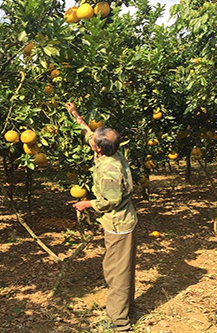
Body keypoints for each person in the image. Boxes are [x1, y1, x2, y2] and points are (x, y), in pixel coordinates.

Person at [65, 102, 138, 332]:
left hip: (119, 223)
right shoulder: (111, 151)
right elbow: (90, 134)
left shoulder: (109, 171)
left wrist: (87, 203)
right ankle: (126, 308)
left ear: (99, 149)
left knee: (117, 272)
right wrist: (76, 116)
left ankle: (120, 322)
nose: (91, 141)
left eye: (94, 141)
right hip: (117, 222)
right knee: (119, 267)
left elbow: (111, 201)